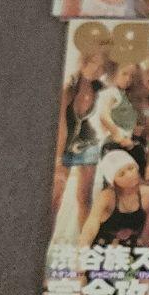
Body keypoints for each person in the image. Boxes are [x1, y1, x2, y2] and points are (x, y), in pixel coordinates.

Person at [52, 48, 106, 235]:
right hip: (64, 145)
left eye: (102, 67)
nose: (97, 70)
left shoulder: (99, 87)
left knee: (85, 198)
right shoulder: (69, 85)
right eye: (94, 64)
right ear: (84, 62)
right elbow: (60, 125)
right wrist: (58, 158)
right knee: (55, 197)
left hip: (88, 143)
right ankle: (45, 239)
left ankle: (84, 243)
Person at [79, 149, 149, 248]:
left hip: (131, 249)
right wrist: (82, 250)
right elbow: (90, 227)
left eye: (131, 168)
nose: (129, 175)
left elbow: (147, 230)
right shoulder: (106, 197)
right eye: (121, 174)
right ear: (113, 181)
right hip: (103, 249)